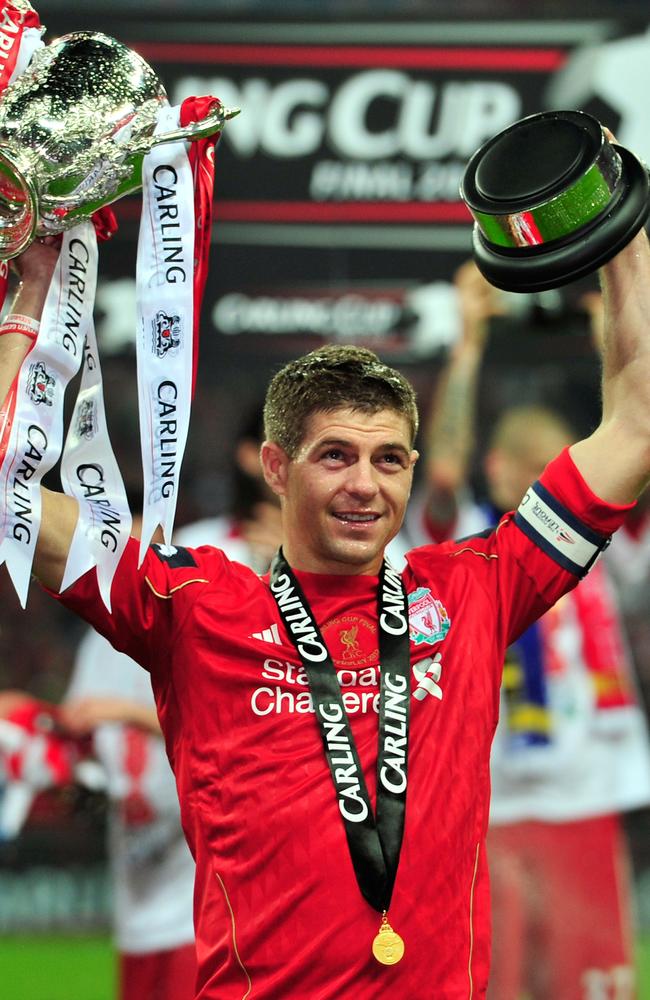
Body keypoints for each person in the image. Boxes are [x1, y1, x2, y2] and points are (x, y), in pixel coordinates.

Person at [4, 217, 650, 998]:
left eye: (388, 460)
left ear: (411, 470)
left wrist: (622, 235)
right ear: (276, 466)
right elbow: (10, 503)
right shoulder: (193, 605)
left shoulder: (473, 589)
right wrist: (33, 283)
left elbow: (637, 425)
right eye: (335, 455)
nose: (364, 486)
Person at [387, 260, 650, 1000]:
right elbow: (439, 474)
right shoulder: (466, 544)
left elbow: (634, 447)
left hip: (586, 791)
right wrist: (467, 345)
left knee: (590, 988)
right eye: (531, 465)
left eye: (556, 465)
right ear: (499, 468)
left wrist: (613, 338)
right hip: (488, 799)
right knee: (489, 986)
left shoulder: (596, 544)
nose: (547, 478)